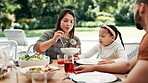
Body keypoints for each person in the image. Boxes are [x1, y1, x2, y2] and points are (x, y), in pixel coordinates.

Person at [74, 0, 148, 82]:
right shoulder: (146, 38)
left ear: (141, 7)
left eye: (134, 9)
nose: (133, 14)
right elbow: (128, 65)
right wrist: (92, 68)